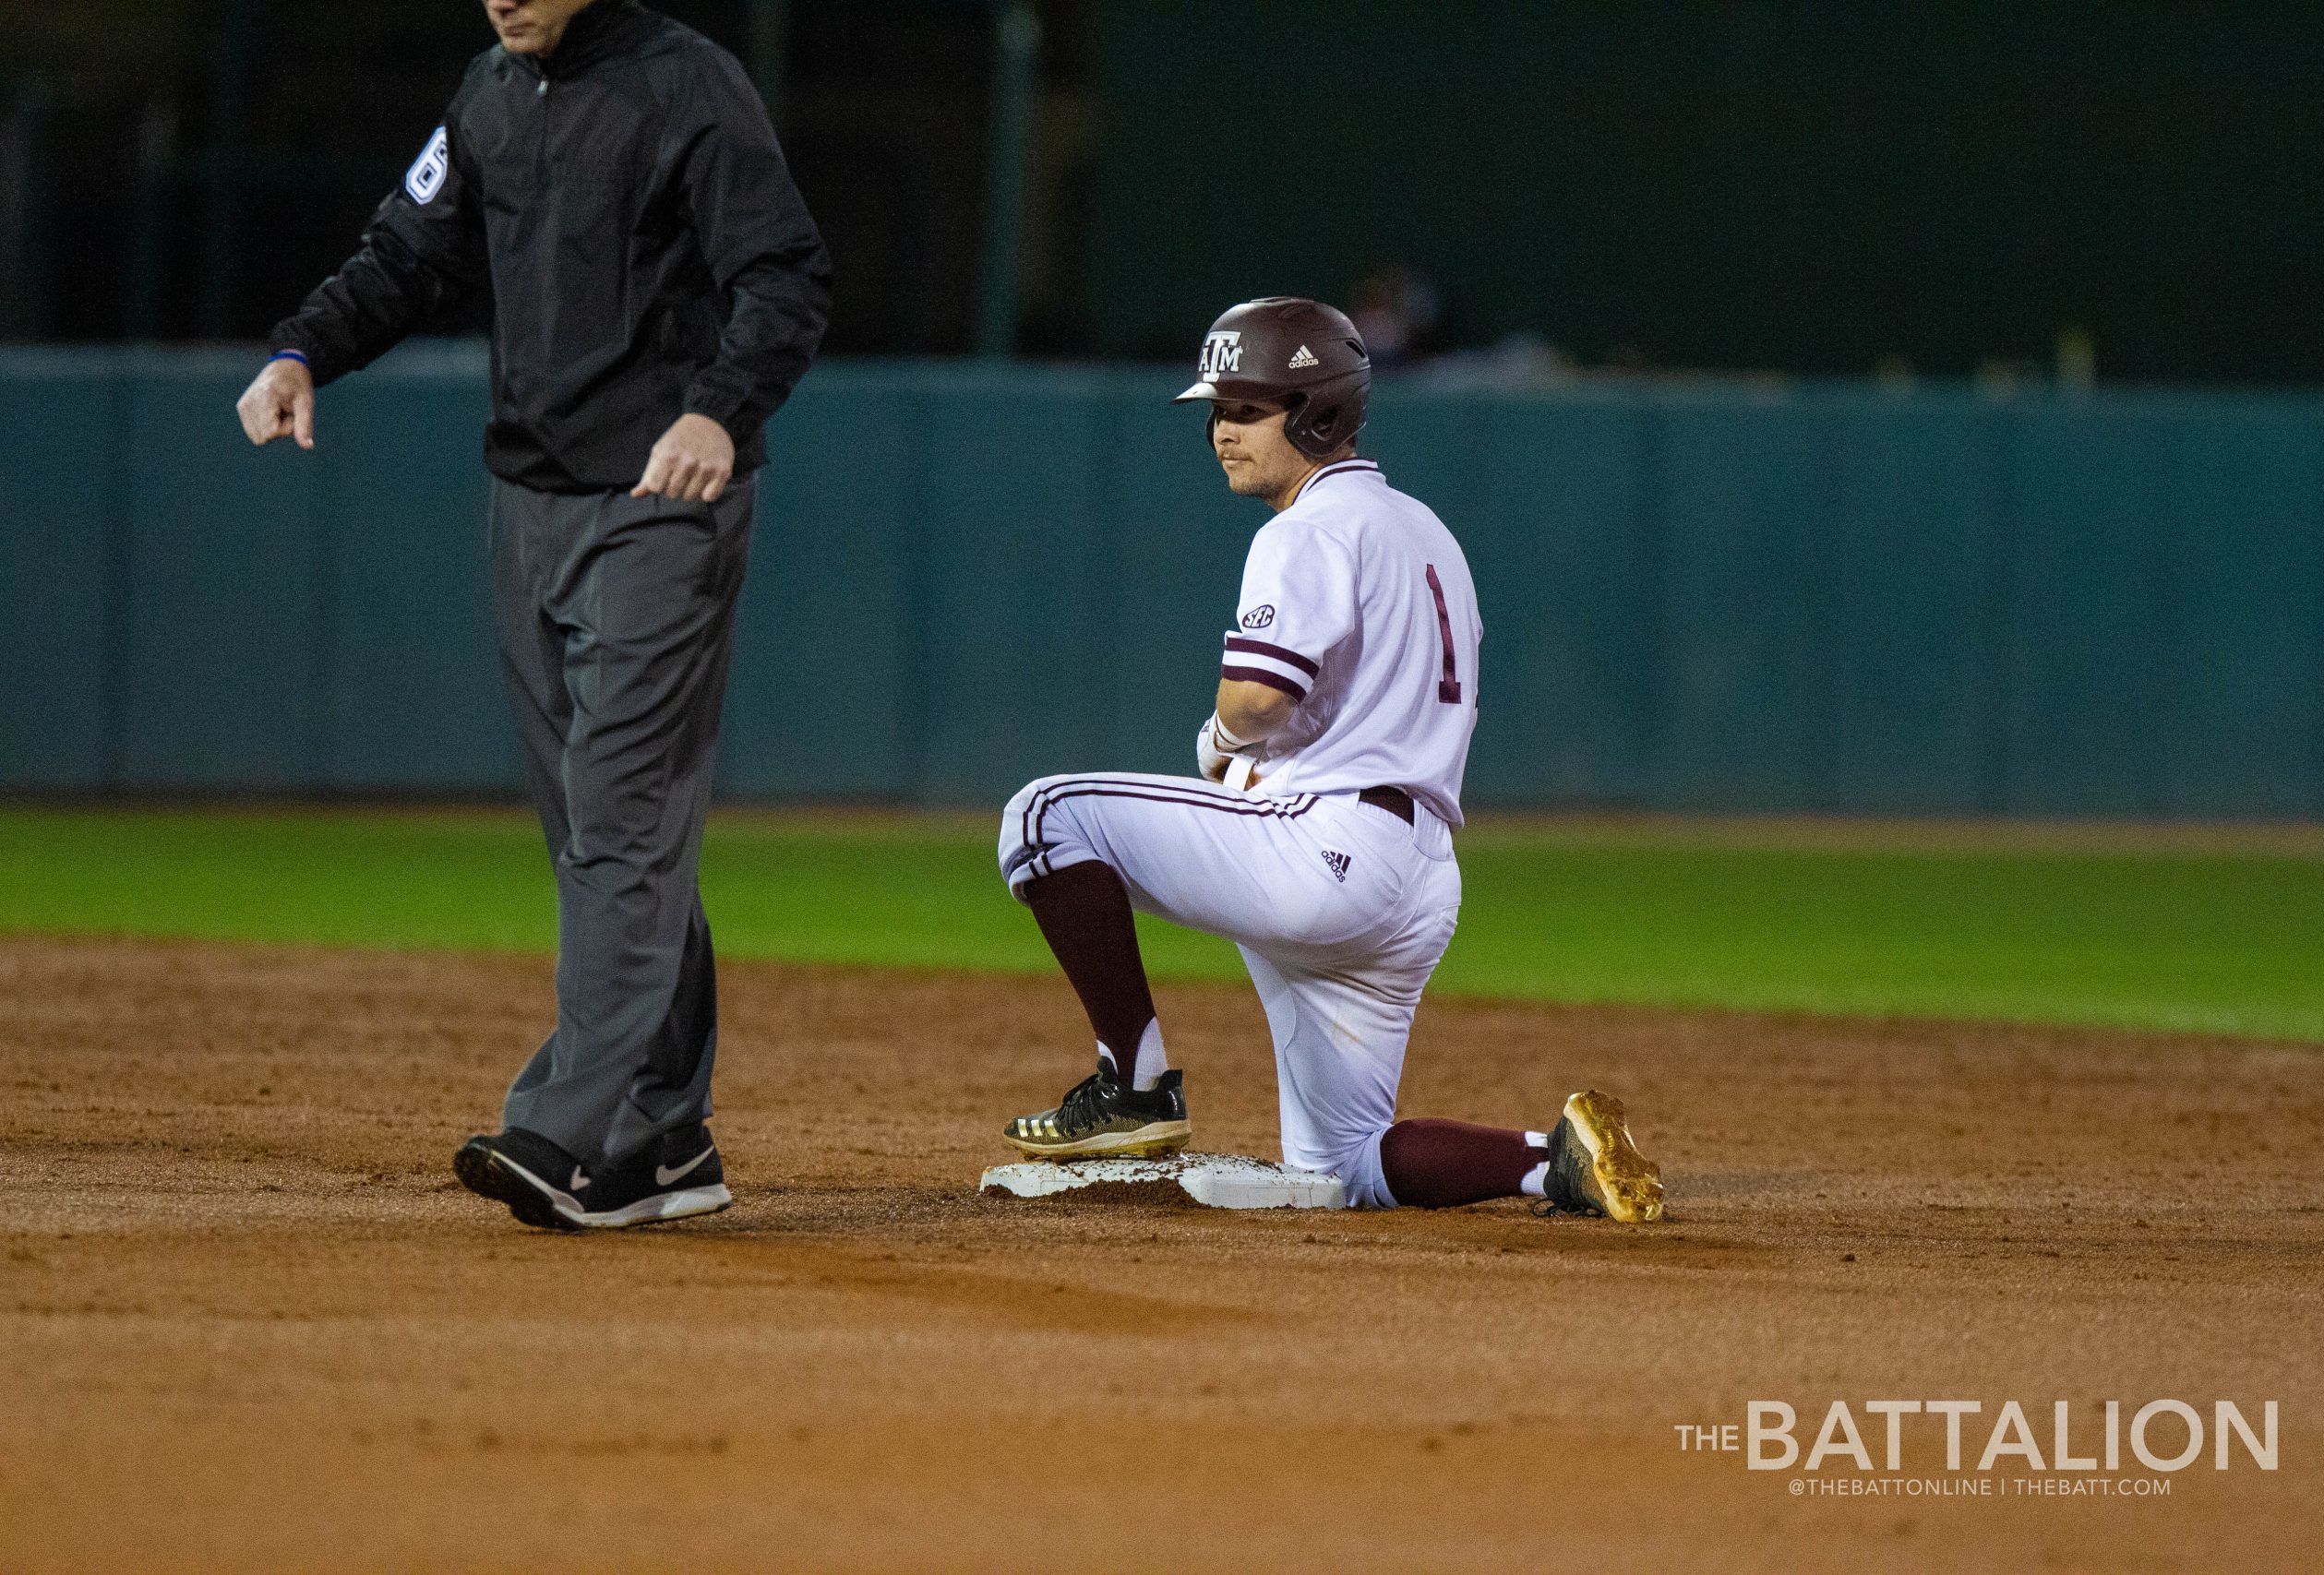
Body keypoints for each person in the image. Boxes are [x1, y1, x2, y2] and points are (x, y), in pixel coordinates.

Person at [235, 0, 830, 1230]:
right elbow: (409, 252)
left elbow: (784, 276)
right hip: (528, 496)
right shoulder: (491, 92)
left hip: (664, 496)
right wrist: (303, 350)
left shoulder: (690, 84)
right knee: (597, 826)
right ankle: (663, 1136)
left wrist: (719, 407)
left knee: (619, 809)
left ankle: (566, 1130)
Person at [994, 297, 1664, 1222]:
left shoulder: (1303, 529)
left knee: (1043, 817)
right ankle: (1550, 1162)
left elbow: (1262, 698)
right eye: (1216, 412)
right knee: (1340, 1164)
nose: (1221, 432)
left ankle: (1134, 1088)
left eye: (1243, 409)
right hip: (1416, 877)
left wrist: (1225, 739)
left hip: (1325, 849)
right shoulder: (1426, 533)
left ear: (1314, 412)